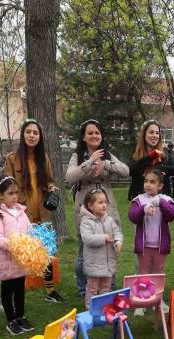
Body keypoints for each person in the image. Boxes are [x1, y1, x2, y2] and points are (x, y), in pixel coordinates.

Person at [67, 120, 130, 298]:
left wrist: (107, 164)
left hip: (106, 207)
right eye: (90, 133)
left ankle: (110, 288)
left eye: (97, 133)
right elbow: (70, 177)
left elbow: (125, 170)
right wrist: (89, 162)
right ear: (84, 137)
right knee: (83, 250)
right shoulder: (77, 156)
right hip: (85, 207)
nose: (94, 136)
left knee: (109, 248)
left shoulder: (107, 154)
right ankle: (83, 289)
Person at [3, 118, 63, 303]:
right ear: (23, 135)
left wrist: (51, 188)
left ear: (40, 137)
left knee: (45, 251)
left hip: (42, 212)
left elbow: (50, 180)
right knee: (21, 254)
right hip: (22, 215)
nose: (31, 135)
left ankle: (50, 291)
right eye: (28, 132)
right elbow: (7, 185)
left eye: (35, 133)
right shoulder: (13, 158)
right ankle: (17, 292)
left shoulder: (42, 157)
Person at [0, 176, 32, 335]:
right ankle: (11, 320)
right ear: (0, 196)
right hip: (6, 260)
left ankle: (20, 316)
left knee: (20, 289)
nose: (15, 196)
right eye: (10, 193)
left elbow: (28, 229)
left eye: (16, 192)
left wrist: (33, 236)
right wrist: (13, 245)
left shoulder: (21, 212)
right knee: (8, 291)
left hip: (20, 261)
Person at [128, 167, 174, 306]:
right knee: (143, 273)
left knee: (158, 273)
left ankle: (158, 299)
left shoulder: (166, 199)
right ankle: (142, 300)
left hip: (160, 246)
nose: (148, 184)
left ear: (160, 185)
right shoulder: (139, 199)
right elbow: (132, 216)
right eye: (146, 181)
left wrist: (161, 203)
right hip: (144, 246)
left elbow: (173, 214)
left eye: (152, 182)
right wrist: (143, 209)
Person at [79, 189, 124, 308]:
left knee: (106, 286)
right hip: (94, 263)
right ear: (90, 205)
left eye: (105, 202)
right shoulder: (86, 222)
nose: (104, 205)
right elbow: (87, 238)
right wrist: (103, 237)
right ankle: (91, 306)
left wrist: (118, 241)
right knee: (93, 287)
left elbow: (117, 232)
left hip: (108, 262)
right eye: (100, 202)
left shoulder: (109, 220)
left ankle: (104, 305)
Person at [128, 120, 174, 201]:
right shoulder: (136, 153)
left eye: (157, 133)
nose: (154, 135)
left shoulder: (164, 153)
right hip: (141, 201)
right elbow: (131, 170)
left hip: (162, 200)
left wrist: (159, 168)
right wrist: (151, 156)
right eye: (151, 132)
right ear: (144, 134)